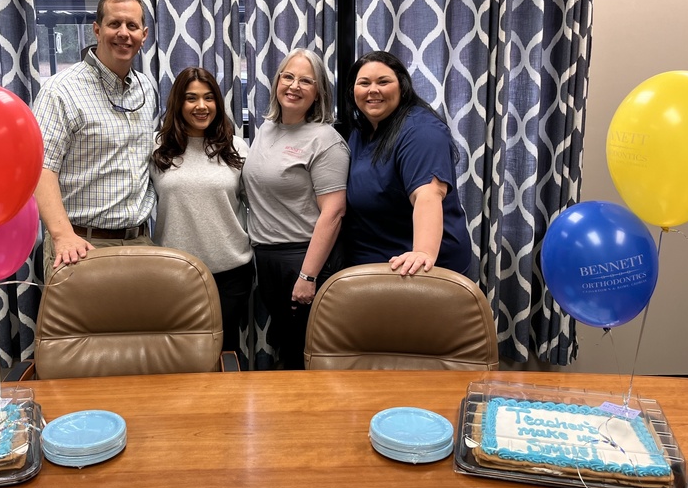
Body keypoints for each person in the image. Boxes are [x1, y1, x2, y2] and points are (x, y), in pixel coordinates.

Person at [32, 0, 158, 278]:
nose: (124, 33)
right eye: (115, 24)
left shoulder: (146, 89)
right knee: (83, 326)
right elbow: (41, 168)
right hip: (79, 245)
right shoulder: (60, 90)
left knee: (137, 324)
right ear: (97, 30)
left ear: (144, 35)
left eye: (132, 26)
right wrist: (63, 236)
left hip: (139, 241)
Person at [243, 49, 349, 369]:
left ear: (318, 93)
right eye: (288, 77)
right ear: (276, 82)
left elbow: (334, 211)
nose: (294, 86)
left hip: (303, 257)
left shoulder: (325, 140)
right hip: (268, 256)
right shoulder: (267, 129)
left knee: (305, 354)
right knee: (286, 348)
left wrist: (307, 275)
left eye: (306, 81)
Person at [151, 67, 254, 358]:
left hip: (231, 272)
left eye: (209, 98)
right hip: (175, 273)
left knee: (225, 350)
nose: (201, 106)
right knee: (180, 353)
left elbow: (256, 205)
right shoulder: (157, 148)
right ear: (178, 104)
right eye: (191, 98)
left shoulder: (236, 147)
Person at [342, 50, 473, 277]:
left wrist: (422, 252)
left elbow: (428, 195)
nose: (373, 90)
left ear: (402, 87)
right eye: (364, 83)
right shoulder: (361, 131)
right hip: (371, 264)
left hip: (416, 271)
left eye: (383, 82)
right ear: (353, 90)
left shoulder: (421, 131)